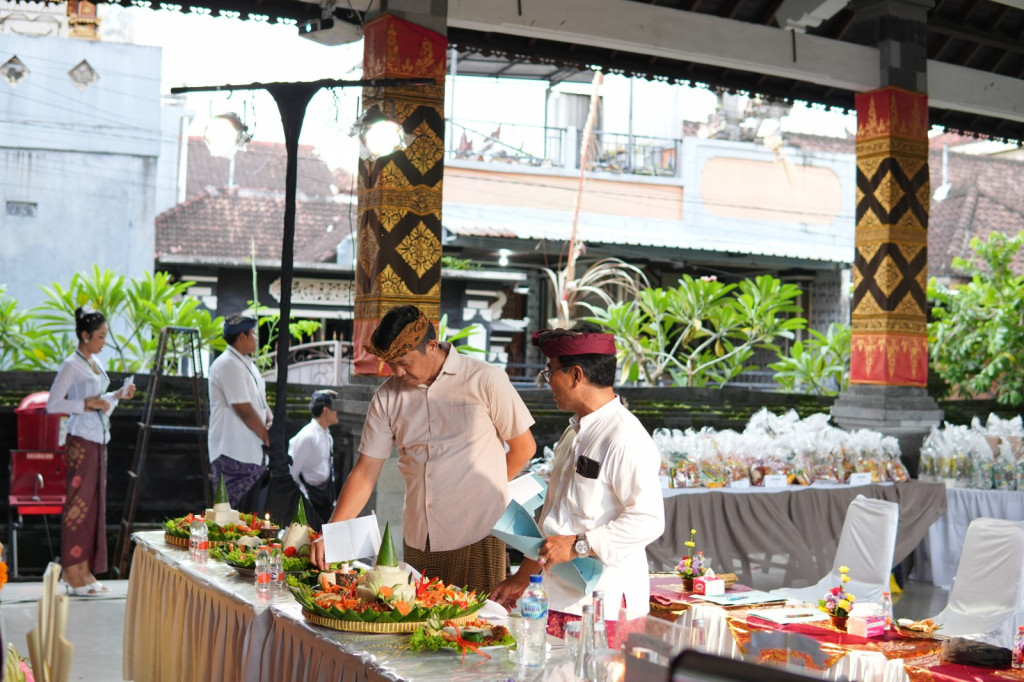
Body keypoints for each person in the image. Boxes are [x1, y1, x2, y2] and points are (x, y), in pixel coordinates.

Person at [311, 305, 537, 593]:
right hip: (420, 537)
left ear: (431, 345)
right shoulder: (387, 397)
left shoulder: (484, 379)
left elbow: (523, 448)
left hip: (478, 533)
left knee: (479, 617)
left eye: (404, 362)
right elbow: (366, 472)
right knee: (418, 616)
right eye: (391, 364)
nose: (398, 372)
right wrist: (331, 533)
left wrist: (480, 495)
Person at [490, 322, 665, 637]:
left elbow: (648, 521)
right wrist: (522, 578)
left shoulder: (624, 436)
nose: (546, 382)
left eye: (550, 372)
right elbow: (554, 521)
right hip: (556, 596)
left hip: (603, 604)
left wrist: (578, 544)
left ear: (576, 375)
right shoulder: (573, 433)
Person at [47, 306, 136, 595]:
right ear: (85, 335)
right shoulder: (71, 365)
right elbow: (53, 404)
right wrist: (85, 404)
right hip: (81, 441)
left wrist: (117, 395)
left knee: (94, 505)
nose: (104, 342)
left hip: (98, 437)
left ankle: (84, 570)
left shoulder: (93, 362)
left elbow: (99, 401)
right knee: (78, 506)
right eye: (100, 336)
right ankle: (71, 572)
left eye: (105, 336)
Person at [208, 313, 272, 507]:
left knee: (250, 515)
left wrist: (270, 421)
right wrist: (265, 434)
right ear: (242, 336)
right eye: (252, 333)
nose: (255, 338)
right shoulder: (228, 364)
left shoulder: (246, 364)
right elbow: (243, 408)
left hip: (251, 452)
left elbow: (260, 402)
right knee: (230, 515)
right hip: (232, 452)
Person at [288, 390, 338, 522]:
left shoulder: (327, 435)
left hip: (326, 497)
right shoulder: (306, 436)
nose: (338, 412)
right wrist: (305, 500)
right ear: (326, 410)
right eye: (336, 409)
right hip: (310, 499)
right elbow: (291, 473)